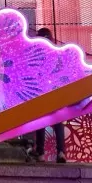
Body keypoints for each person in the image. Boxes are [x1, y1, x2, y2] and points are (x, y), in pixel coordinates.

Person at [28, 27, 66, 163]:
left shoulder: (36, 53)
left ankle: (40, 152)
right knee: (58, 122)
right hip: (55, 91)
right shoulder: (56, 53)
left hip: (41, 91)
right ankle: (61, 152)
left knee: (41, 122)